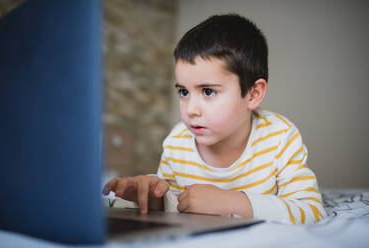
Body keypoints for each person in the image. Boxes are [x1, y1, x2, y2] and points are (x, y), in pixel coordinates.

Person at [103, 14, 327, 224]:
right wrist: (153, 199)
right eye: (183, 92)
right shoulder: (177, 141)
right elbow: (175, 204)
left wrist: (230, 202)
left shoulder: (280, 137)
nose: (191, 109)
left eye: (208, 91)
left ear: (253, 93)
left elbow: (311, 211)